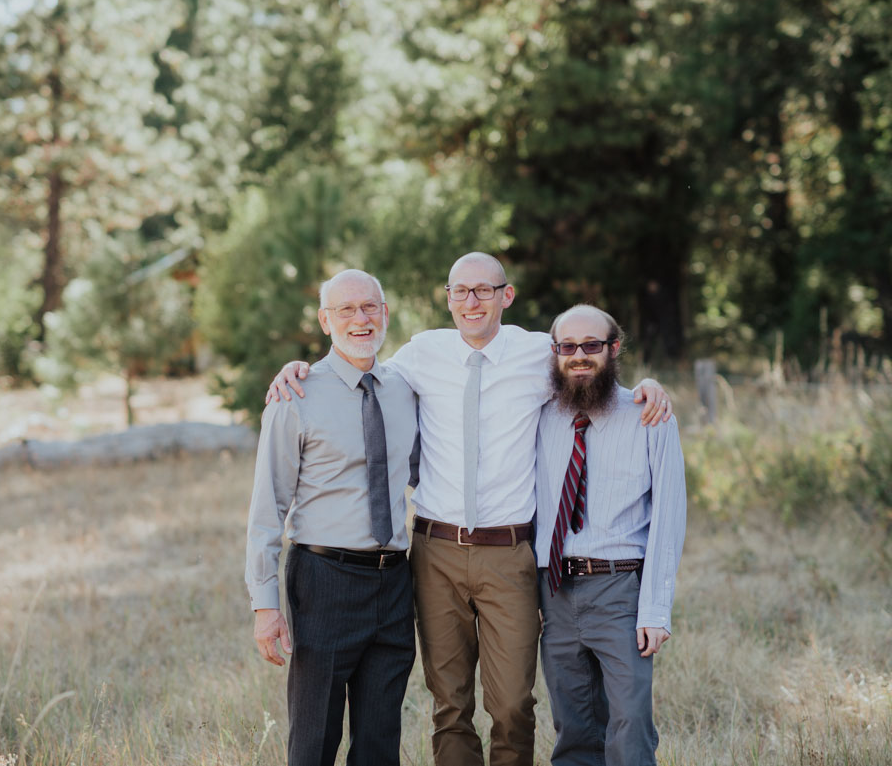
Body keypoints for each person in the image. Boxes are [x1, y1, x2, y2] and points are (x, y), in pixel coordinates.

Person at [268, 253, 673, 766]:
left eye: (484, 290)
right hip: (435, 552)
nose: (471, 301)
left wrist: (646, 389)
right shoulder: (420, 353)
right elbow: (356, 371)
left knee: (511, 705)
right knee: (450, 703)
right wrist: (299, 368)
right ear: (448, 299)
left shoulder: (536, 353)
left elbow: (590, 366)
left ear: (506, 296)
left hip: (510, 553)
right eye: (460, 291)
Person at [245, 269, 418, 766]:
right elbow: (267, 508)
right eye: (346, 309)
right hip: (324, 579)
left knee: (380, 741)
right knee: (314, 741)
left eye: (370, 307)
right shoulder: (294, 396)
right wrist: (265, 605)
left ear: (385, 313)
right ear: (325, 320)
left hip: (395, 582)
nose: (360, 319)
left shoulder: (406, 388)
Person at [534, 304, 686, 766]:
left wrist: (656, 610)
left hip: (620, 587)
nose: (579, 356)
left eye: (592, 346)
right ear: (555, 352)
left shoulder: (649, 415)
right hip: (554, 590)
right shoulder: (538, 415)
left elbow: (669, 516)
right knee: (574, 727)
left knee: (629, 724)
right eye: (568, 347)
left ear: (614, 349)